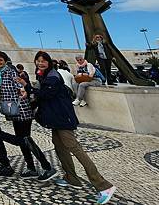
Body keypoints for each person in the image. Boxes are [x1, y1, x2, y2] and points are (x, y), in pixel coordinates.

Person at [26, 51, 116, 204]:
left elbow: (46, 94)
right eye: (38, 61)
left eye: (43, 61)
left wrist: (27, 87)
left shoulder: (53, 77)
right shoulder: (44, 75)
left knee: (75, 148)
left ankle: (103, 185)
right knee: (59, 147)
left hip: (62, 118)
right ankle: (71, 178)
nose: (40, 63)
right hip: (55, 118)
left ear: (49, 62)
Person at [0, 51, 57, 181]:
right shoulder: (0, 73)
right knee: (23, 140)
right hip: (14, 110)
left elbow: (20, 85)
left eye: (0, 60)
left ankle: (47, 167)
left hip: (22, 109)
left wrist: (23, 92)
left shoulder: (10, 71)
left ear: (5, 60)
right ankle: (31, 167)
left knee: (25, 139)